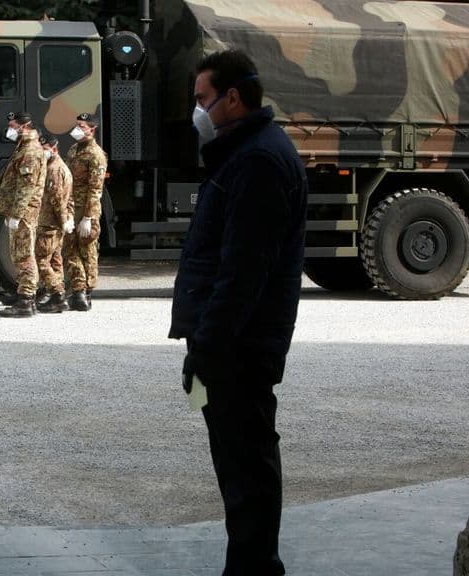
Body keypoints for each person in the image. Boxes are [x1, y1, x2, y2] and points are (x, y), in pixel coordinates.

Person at [168, 50, 308, 575]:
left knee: (247, 463)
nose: (197, 110)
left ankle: (255, 568)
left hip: (240, 346)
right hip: (232, 341)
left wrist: (207, 346)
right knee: (238, 462)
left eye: (203, 99)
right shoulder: (242, 154)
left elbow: (242, 272)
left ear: (233, 98)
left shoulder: (257, 161)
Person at [0, 112, 45, 318]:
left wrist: (16, 213)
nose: (10, 128)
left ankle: (26, 301)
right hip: (19, 210)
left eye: (13, 125)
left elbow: (26, 186)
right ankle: (23, 296)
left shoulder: (31, 151)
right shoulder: (23, 147)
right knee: (18, 254)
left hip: (24, 212)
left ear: (24, 126)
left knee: (24, 255)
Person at [63, 112, 108, 312]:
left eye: (82, 126)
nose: (78, 129)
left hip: (87, 209)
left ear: (92, 129)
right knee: (70, 248)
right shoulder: (73, 150)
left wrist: (88, 217)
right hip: (72, 206)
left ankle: (87, 292)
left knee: (87, 250)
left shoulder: (96, 154)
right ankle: (77, 290)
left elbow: (95, 189)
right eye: (77, 125)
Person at [35, 134, 75, 313]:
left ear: (54, 149)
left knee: (41, 260)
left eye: (44, 150)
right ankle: (56, 296)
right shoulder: (56, 167)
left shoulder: (54, 170)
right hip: (55, 223)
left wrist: (63, 220)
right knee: (56, 261)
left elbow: (57, 200)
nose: (42, 153)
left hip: (49, 223)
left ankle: (57, 295)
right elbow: (69, 199)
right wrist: (67, 219)